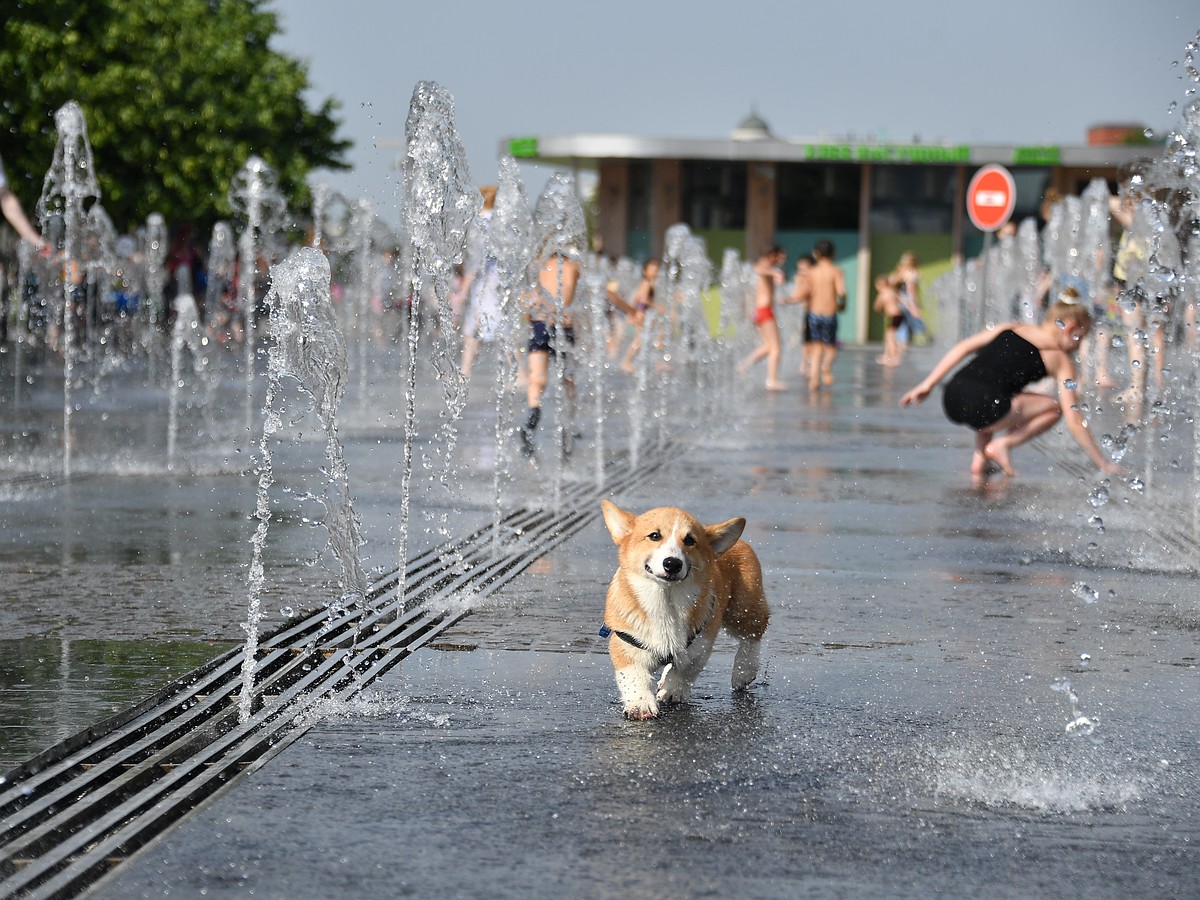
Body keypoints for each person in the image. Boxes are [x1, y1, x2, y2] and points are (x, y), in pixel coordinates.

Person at [900, 290, 1120, 479]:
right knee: (1055, 407)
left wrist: (928, 384)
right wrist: (1103, 463)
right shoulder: (1059, 359)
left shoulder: (1011, 327)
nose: (1078, 346)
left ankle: (980, 459)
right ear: (1070, 328)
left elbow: (964, 347)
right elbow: (1074, 418)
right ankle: (1003, 445)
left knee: (998, 390)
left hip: (952, 397)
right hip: (986, 407)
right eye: (1080, 338)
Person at [519, 250, 580, 456]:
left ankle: (533, 411)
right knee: (567, 379)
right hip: (564, 325)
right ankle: (568, 425)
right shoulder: (573, 267)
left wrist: (529, 317)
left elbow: (527, 297)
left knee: (537, 378)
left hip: (540, 324)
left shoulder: (539, 266)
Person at [459, 186, 504, 377]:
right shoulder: (501, 220)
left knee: (478, 326)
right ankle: (464, 371)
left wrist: (463, 291)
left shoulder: (481, 222)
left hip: (484, 282)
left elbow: (476, 260)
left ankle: (465, 372)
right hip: (498, 279)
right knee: (494, 326)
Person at [737, 245, 787, 390]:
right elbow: (758, 269)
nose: (782, 260)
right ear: (773, 254)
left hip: (762, 311)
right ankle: (772, 380)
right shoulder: (765, 264)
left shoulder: (767, 265)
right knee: (776, 347)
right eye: (780, 257)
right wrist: (776, 273)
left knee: (768, 346)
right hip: (764, 311)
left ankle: (743, 366)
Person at [805, 239, 846, 390]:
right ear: (833, 254)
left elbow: (806, 293)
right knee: (831, 347)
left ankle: (814, 380)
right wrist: (844, 304)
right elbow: (842, 292)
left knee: (816, 348)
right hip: (830, 313)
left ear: (816, 254)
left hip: (814, 313)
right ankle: (826, 366)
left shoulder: (811, 272)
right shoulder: (836, 271)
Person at [618, 258, 660, 373]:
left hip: (640, 313)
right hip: (641, 313)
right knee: (642, 339)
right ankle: (626, 362)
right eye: (652, 270)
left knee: (645, 338)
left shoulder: (647, 283)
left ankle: (655, 362)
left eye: (656, 270)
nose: (655, 272)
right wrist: (657, 306)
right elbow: (642, 299)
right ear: (645, 271)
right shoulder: (646, 283)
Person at [873, 274, 904, 367]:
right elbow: (902, 301)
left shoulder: (882, 294)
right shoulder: (892, 291)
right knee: (888, 337)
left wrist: (880, 313)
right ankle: (887, 357)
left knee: (890, 338)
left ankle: (895, 359)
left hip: (891, 316)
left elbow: (876, 307)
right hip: (899, 315)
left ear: (879, 285)